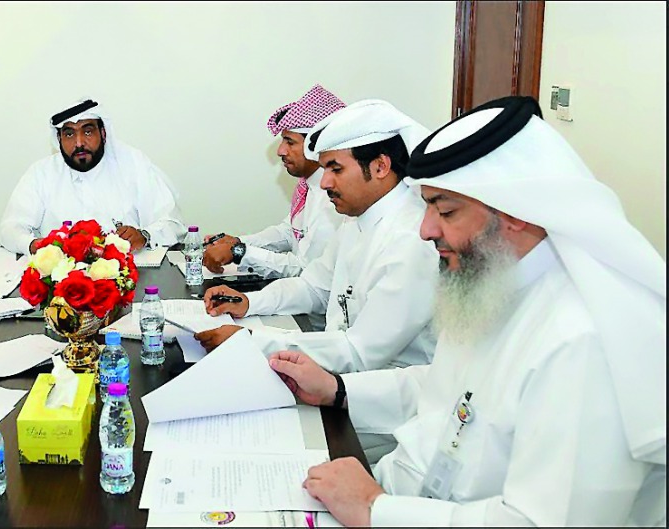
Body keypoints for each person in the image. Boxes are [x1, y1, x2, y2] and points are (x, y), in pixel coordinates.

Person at [270, 96, 665, 526]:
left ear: (515, 214)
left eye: (446, 211)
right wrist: (339, 390)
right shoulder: (492, 282)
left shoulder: (583, 342)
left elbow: (539, 522)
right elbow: (450, 389)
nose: (425, 230)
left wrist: (378, 511)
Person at [198, 100, 439, 375]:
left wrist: (253, 344)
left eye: (335, 170)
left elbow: (359, 353)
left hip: (380, 400)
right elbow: (314, 287)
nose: (324, 183)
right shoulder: (357, 218)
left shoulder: (413, 239)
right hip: (336, 374)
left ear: (380, 166)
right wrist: (250, 302)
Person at [0, 98, 187, 254]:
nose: (79, 143)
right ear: (59, 140)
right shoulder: (41, 173)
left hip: (130, 279)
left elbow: (173, 223)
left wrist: (145, 235)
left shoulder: (133, 164)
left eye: (87, 131)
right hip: (62, 285)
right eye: (69, 134)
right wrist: (35, 245)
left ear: (103, 134)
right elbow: (10, 228)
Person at [203, 85, 345, 285]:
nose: (280, 151)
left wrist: (240, 252)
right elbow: (288, 233)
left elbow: (306, 270)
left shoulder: (336, 196)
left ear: (317, 146)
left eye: (290, 142)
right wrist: (238, 242)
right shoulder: (309, 185)